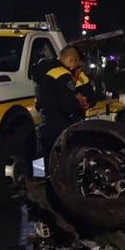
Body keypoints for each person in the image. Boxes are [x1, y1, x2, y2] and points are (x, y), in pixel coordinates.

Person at [35, 45, 89, 175]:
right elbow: (67, 105)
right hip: (59, 130)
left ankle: (44, 190)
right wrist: (79, 102)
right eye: (76, 65)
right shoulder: (63, 74)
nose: (74, 69)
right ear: (71, 60)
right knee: (61, 172)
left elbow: (39, 103)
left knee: (45, 169)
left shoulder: (45, 73)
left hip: (43, 127)